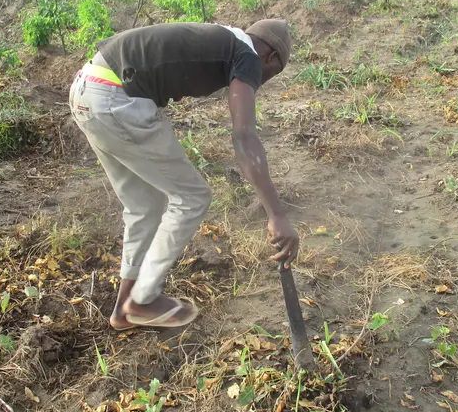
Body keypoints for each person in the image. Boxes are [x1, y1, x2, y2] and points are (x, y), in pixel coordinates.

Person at [69, 20, 299, 330]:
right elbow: (244, 136)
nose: (261, 80)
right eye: (271, 73)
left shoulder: (223, 41)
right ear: (270, 57)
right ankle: (143, 300)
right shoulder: (247, 54)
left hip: (87, 88)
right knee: (192, 196)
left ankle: (125, 308)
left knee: (144, 206)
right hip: (116, 98)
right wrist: (277, 215)